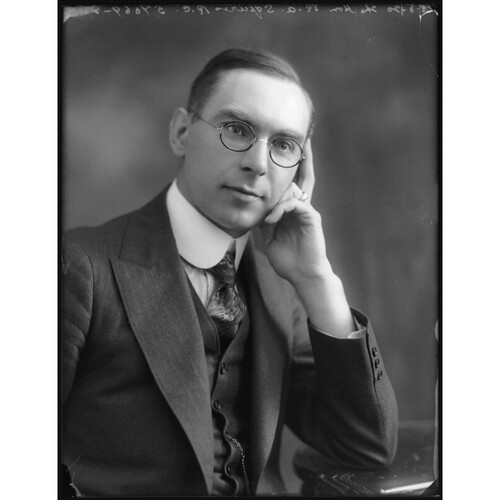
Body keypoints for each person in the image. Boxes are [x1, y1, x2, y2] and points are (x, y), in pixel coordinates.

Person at [62, 48, 398, 497]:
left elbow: (365, 445)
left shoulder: (281, 287)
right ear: (182, 132)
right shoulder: (78, 265)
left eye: (284, 145)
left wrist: (316, 279)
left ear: (300, 169)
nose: (258, 163)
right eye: (237, 130)